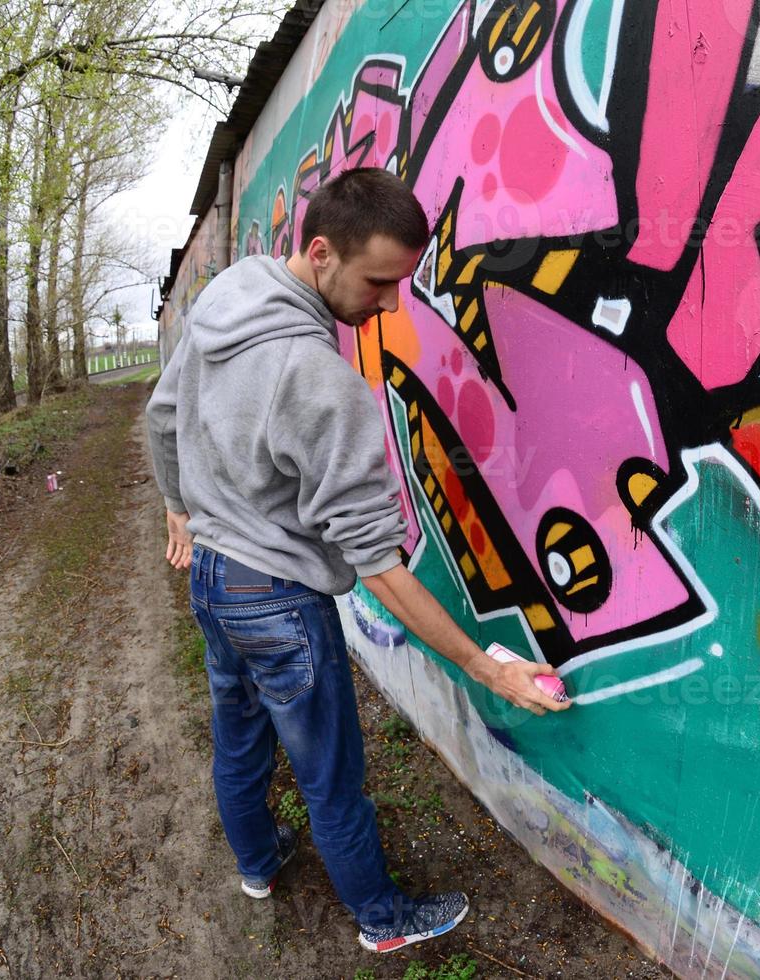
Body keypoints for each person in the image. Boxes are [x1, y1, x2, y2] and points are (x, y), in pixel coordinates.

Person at [145, 166, 571, 954]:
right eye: (379, 281)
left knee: (238, 735)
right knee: (329, 777)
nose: (389, 303)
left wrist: (180, 507)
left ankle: (258, 865)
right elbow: (378, 564)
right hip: (277, 600)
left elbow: (162, 412)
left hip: (212, 579)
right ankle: (381, 920)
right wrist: (484, 666)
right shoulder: (321, 380)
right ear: (321, 252)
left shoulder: (230, 294)